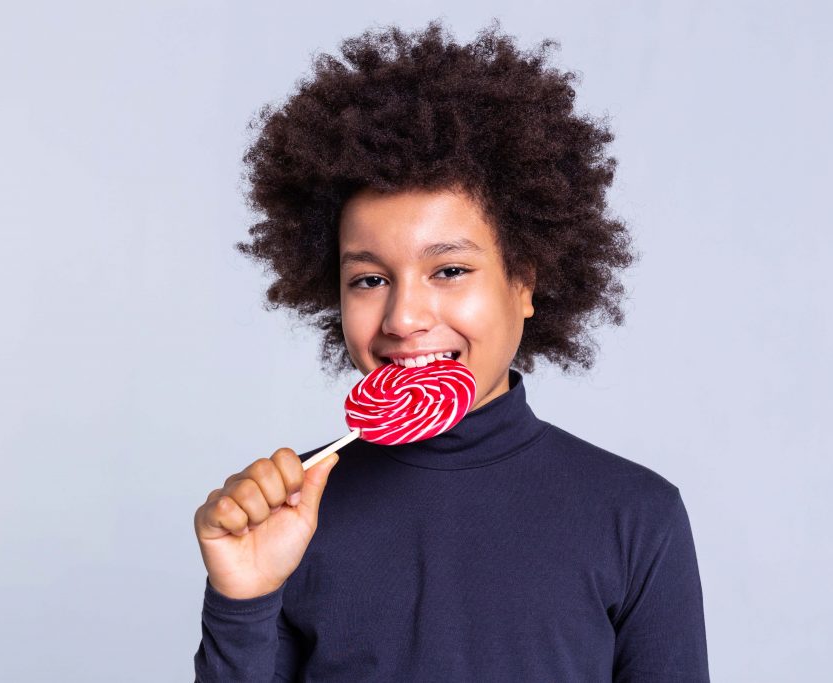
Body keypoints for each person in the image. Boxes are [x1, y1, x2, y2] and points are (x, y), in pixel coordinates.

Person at [194, 18, 709, 681]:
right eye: (370, 279)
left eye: (450, 270)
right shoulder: (294, 513)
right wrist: (244, 597)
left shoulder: (636, 515)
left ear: (524, 281)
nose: (404, 317)